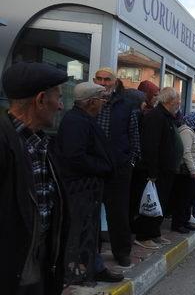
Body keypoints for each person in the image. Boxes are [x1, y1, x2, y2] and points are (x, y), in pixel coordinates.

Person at [0, 61, 69, 295]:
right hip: (5, 281)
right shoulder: (4, 141)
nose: (61, 104)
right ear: (41, 99)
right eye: (58, 97)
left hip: (30, 278)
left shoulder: (39, 144)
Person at [56, 82, 122, 283]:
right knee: (81, 231)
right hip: (79, 188)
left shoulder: (83, 118)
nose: (103, 103)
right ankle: (80, 271)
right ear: (92, 102)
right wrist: (103, 166)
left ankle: (93, 266)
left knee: (89, 230)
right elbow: (75, 157)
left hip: (88, 188)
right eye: (101, 99)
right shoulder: (76, 121)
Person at [93, 68, 140, 267]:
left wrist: (130, 162)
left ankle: (121, 252)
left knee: (118, 212)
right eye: (99, 79)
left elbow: (134, 136)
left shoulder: (126, 105)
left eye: (107, 80)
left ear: (115, 82)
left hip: (118, 168)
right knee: (90, 210)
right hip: (92, 167)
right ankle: (90, 252)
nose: (103, 83)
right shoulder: (87, 102)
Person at [132, 87, 182, 248]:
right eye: (177, 101)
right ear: (168, 101)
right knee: (151, 203)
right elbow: (150, 146)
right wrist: (152, 171)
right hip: (156, 171)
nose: (179, 104)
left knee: (161, 203)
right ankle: (144, 235)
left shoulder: (167, 117)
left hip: (166, 170)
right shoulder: (156, 117)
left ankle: (154, 233)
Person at [172, 112, 195, 233]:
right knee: (183, 198)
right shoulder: (186, 132)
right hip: (186, 172)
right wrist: (193, 170)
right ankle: (178, 223)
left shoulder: (192, 131)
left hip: (192, 171)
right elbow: (186, 153)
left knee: (189, 198)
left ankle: (185, 221)